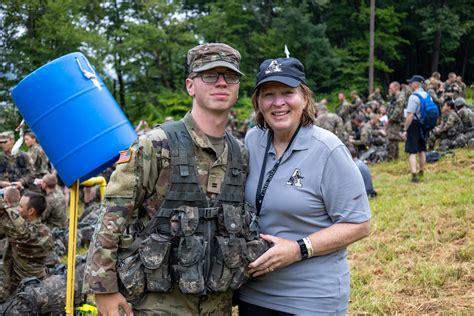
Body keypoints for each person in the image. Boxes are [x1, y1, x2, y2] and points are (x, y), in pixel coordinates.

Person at [83, 43, 267, 315]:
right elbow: (112, 216)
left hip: (218, 303)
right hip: (157, 304)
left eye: (230, 76)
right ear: (190, 85)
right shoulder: (157, 144)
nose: (221, 83)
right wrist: (104, 289)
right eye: (209, 75)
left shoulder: (240, 153)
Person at [238, 57, 371, 315]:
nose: (278, 103)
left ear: (305, 98)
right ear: (258, 102)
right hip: (253, 292)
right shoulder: (253, 141)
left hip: (310, 298)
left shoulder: (328, 150)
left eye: (288, 93)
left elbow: (360, 224)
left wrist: (298, 249)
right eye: (269, 95)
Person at [0, 191, 53, 297]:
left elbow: (21, 230)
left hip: (19, 288)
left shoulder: (28, 233)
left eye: (20, 206)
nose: (17, 209)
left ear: (31, 211)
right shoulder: (45, 231)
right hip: (37, 284)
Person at [402, 75, 429, 183]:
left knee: (412, 151)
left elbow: (410, 115)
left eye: (411, 83)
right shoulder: (427, 95)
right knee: (422, 149)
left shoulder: (414, 97)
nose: (409, 84)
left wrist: (405, 129)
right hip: (424, 124)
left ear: (416, 84)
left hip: (414, 125)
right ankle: (421, 171)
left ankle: (414, 175)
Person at [385, 81, 405, 160]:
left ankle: (392, 157)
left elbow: (398, 111)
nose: (390, 90)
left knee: (393, 139)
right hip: (393, 121)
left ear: (396, 88)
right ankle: (394, 158)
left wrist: (390, 120)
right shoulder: (394, 97)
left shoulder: (400, 98)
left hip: (395, 122)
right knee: (392, 139)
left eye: (391, 88)